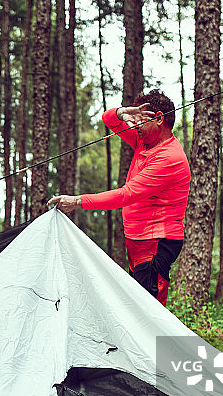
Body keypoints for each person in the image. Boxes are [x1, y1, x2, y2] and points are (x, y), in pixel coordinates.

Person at [48, 89, 190, 306]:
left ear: (159, 118)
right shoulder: (145, 141)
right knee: (138, 307)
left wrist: (77, 201)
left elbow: (127, 194)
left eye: (140, 121)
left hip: (155, 242)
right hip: (138, 241)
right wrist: (124, 113)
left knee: (149, 311)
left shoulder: (169, 158)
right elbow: (108, 119)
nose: (135, 127)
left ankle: (168, 342)